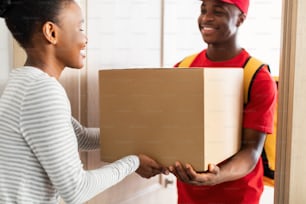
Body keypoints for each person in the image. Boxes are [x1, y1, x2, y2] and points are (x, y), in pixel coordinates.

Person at [0, 0, 168, 203]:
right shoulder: (42, 91)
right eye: (80, 28)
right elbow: (77, 190)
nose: (85, 38)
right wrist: (134, 162)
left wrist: (138, 136)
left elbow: (80, 136)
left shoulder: (22, 82)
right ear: (51, 32)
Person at [169, 0, 277, 203]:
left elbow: (251, 151)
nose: (206, 18)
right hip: (189, 195)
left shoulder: (256, 76)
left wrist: (216, 177)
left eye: (218, 11)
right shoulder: (183, 68)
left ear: (241, 19)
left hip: (238, 195)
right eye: (203, 10)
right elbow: (171, 130)